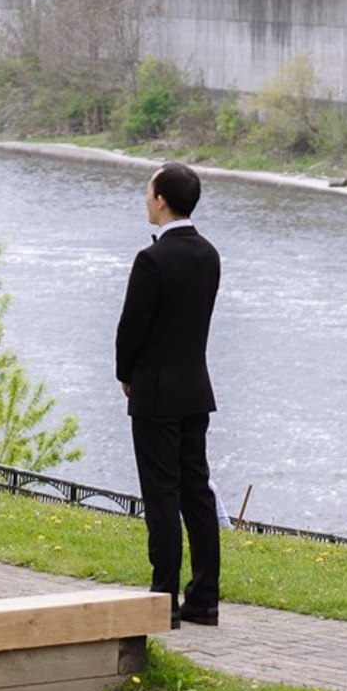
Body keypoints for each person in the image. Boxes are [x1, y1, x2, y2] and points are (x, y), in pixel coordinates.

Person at [114, 162, 221, 626]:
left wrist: (125, 373)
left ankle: (164, 596)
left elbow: (131, 327)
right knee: (196, 491)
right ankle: (205, 598)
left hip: (155, 391)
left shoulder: (152, 259)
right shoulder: (209, 255)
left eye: (148, 190)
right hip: (195, 388)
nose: (145, 198)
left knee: (161, 492)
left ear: (161, 200)